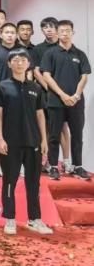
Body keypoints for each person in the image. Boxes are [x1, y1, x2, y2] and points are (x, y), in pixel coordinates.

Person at [0, 48, 53, 235]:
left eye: (23, 60)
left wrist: (44, 140)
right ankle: (10, 219)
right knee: (9, 181)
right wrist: (0, 138)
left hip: (33, 141)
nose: (19, 63)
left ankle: (34, 219)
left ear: (29, 64)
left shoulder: (36, 88)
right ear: (9, 63)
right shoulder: (2, 87)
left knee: (33, 182)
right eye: (16, 60)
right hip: (10, 142)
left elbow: (40, 115)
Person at [41, 20, 91, 181]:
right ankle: (53, 166)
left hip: (76, 102)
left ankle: (78, 166)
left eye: (68, 30)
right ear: (57, 33)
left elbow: (84, 76)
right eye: (62, 31)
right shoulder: (50, 53)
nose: (65, 33)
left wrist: (76, 95)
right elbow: (46, 76)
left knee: (77, 135)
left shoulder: (80, 54)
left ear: (72, 32)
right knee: (54, 136)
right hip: (56, 101)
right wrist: (62, 95)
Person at [33, 16, 72, 174]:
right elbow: (36, 71)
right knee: (48, 128)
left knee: (63, 128)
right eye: (45, 27)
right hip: (46, 94)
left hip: (64, 94)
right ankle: (50, 161)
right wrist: (49, 88)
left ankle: (67, 161)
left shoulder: (65, 47)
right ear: (41, 30)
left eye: (51, 27)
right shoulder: (38, 49)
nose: (49, 30)